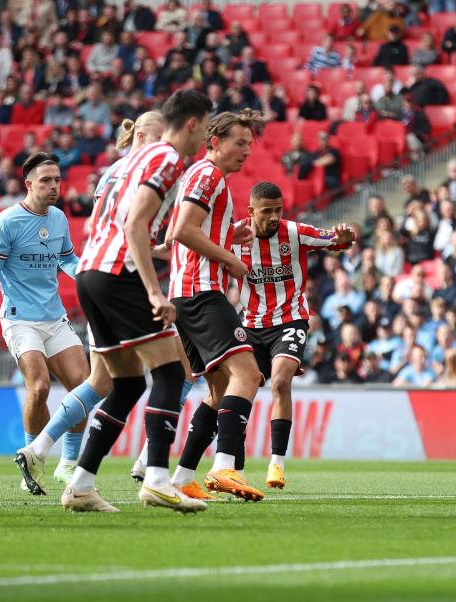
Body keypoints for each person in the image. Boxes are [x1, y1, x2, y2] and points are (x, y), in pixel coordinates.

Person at [65, 89, 213, 514]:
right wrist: (153, 290)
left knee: (127, 383)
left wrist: (155, 244)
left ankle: (81, 484)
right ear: (192, 123)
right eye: (205, 127)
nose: (204, 136)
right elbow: (133, 225)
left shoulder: (124, 162)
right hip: (120, 274)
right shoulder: (166, 158)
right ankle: (157, 479)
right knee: (171, 371)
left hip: (91, 273)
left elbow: (108, 222)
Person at [164, 110, 271, 504]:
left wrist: (229, 233)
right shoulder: (207, 175)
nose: (245, 151)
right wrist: (228, 257)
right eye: (238, 142)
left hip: (186, 291)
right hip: (200, 290)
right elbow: (183, 231)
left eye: (249, 144)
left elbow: (192, 229)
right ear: (214, 142)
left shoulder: (207, 177)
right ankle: (225, 465)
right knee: (248, 373)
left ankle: (181, 478)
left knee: (219, 387)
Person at [0, 153, 92, 495]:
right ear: (28, 184)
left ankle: (67, 465)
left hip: (54, 318)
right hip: (19, 320)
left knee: (83, 386)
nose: (54, 186)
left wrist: (84, 276)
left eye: (57, 180)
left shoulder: (58, 218)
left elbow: (67, 259)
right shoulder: (4, 223)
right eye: (46, 180)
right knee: (39, 387)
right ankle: (33, 460)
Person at [233, 181, 355, 489]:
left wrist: (344, 237)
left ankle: (277, 463)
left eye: (278, 210)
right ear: (251, 211)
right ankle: (233, 465)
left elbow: (337, 240)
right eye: (267, 211)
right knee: (235, 392)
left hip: (290, 320)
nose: (274, 217)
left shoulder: (295, 232)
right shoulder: (234, 237)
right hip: (250, 323)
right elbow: (197, 245)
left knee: (280, 381)